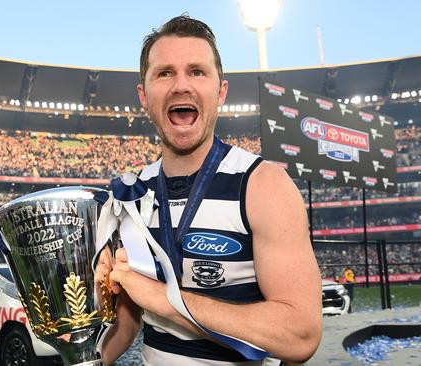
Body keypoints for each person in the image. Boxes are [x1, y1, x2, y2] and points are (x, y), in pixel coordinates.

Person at [95, 15, 322, 365]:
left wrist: (165, 300)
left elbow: (300, 334)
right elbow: (124, 329)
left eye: (197, 71)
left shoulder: (263, 186)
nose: (180, 85)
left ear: (221, 92)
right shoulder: (131, 193)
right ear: (144, 95)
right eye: (164, 72)